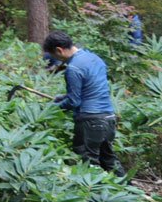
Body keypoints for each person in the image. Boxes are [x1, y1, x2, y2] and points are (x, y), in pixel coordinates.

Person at [42, 31, 119, 174]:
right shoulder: (94, 58)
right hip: (108, 118)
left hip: (90, 120)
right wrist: (63, 97)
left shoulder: (73, 69)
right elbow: (90, 87)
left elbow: (74, 102)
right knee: (109, 160)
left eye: (54, 56)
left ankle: (93, 193)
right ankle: (131, 191)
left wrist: (52, 108)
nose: (57, 60)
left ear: (59, 50)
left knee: (87, 161)